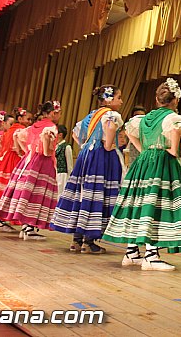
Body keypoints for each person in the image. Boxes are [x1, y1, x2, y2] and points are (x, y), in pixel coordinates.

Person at [103, 79, 181, 271]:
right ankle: (151, 255)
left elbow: (130, 133)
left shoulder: (143, 118)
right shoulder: (172, 118)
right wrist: (169, 150)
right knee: (158, 206)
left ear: (157, 99)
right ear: (176, 100)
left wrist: (144, 148)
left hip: (143, 162)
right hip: (161, 164)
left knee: (138, 204)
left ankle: (131, 252)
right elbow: (173, 149)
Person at [51, 85, 124, 254]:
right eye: (118, 97)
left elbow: (76, 133)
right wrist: (107, 145)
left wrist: (84, 145)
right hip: (100, 156)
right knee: (96, 194)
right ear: (109, 99)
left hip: (86, 155)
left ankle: (76, 241)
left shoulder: (91, 115)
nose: (121, 101)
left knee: (82, 194)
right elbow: (111, 128)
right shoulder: (111, 115)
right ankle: (89, 242)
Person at [0, 101, 63, 240]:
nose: (60, 115)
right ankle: (29, 228)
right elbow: (47, 146)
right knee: (37, 193)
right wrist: (46, 150)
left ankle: (26, 227)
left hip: (28, 160)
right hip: (43, 162)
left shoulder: (34, 126)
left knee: (26, 192)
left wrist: (24, 151)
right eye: (59, 113)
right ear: (53, 113)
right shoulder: (51, 127)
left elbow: (18, 136)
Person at [55, 124, 74, 195]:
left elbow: (70, 165)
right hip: (55, 174)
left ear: (60, 135)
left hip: (62, 176)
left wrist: (69, 180)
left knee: (60, 193)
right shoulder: (55, 146)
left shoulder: (67, 147)